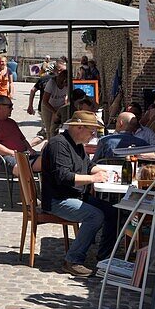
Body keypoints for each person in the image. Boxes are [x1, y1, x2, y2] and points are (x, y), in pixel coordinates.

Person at [40, 110, 118, 277]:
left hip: (74, 195)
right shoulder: (58, 144)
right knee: (95, 216)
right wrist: (93, 178)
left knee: (112, 211)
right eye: (92, 131)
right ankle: (72, 260)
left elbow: (88, 165)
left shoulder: (77, 144)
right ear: (79, 127)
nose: (94, 135)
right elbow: (63, 177)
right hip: (57, 199)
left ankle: (104, 257)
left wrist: (107, 171)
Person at [0, 95, 44, 175]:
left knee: (47, 162)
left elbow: (23, 139)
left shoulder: (12, 122)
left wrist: (30, 149)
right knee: (22, 168)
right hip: (2, 158)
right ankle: (28, 187)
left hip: (22, 155)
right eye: (10, 106)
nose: (12, 109)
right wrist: (13, 153)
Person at [41, 66, 69, 138]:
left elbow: (69, 98)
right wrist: (54, 112)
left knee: (56, 127)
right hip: (48, 105)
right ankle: (50, 143)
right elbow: (45, 101)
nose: (64, 85)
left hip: (60, 106)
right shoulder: (51, 83)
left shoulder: (68, 84)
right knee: (49, 129)